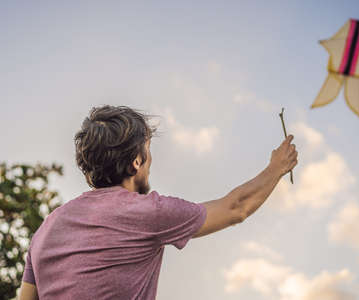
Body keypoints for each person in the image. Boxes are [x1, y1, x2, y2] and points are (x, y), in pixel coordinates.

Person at [18, 105, 298, 300]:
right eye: (148, 152)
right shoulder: (148, 213)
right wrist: (276, 168)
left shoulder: (46, 229)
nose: (150, 162)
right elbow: (236, 208)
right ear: (136, 162)